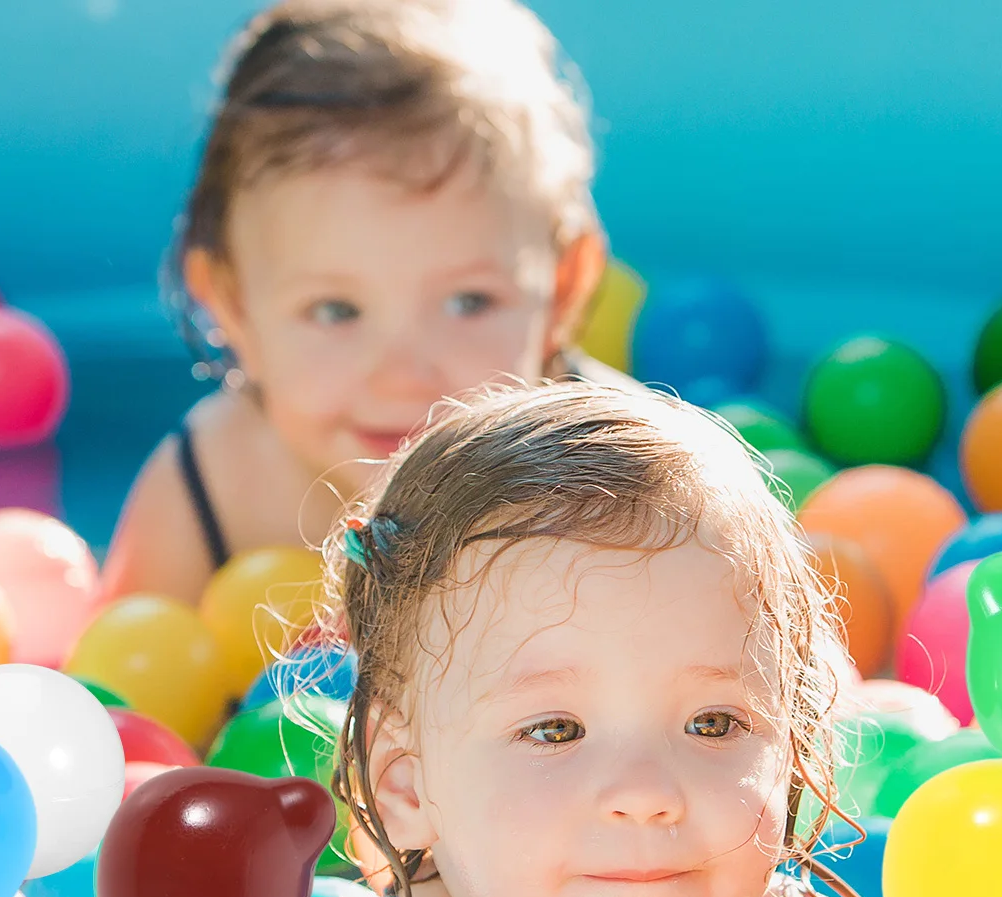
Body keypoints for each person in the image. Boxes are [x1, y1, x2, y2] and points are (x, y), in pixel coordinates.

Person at [268, 383, 964, 897]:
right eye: (555, 730)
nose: (646, 792)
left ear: (794, 740)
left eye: (713, 724)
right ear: (406, 786)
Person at [100, 0, 615, 606]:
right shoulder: (206, 492)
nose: (402, 380)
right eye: (336, 311)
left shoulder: (624, 487)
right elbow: (115, 686)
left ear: (562, 289)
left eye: (469, 302)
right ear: (233, 308)